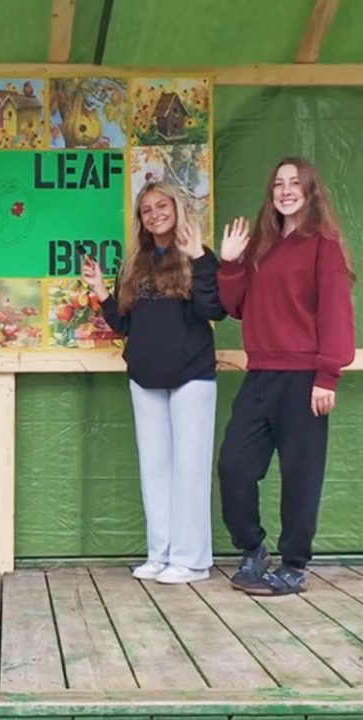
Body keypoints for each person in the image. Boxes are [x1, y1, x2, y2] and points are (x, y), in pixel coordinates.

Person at [217, 156, 356, 596]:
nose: (285, 190)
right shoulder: (262, 245)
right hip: (260, 376)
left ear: (310, 190)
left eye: (295, 182)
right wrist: (230, 263)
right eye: (278, 183)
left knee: (301, 476)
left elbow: (336, 312)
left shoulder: (324, 245)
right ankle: (253, 549)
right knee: (234, 466)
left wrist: (327, 376)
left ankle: (294, 565)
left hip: (305, 379)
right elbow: (237, 306)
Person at [82, 181, 225, 585]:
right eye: (146, 209)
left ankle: (192, 561)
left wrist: (200, 258)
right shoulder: (133, 265)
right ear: (140, 220)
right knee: (155, 469)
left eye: (162, 205)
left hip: (191, 376)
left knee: (190, 469)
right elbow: (125, 324)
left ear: (177, 209)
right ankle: (160, 554)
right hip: (145, 378)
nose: (155, 213)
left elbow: (215, 309)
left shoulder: (197, 256)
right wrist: (98, 292)